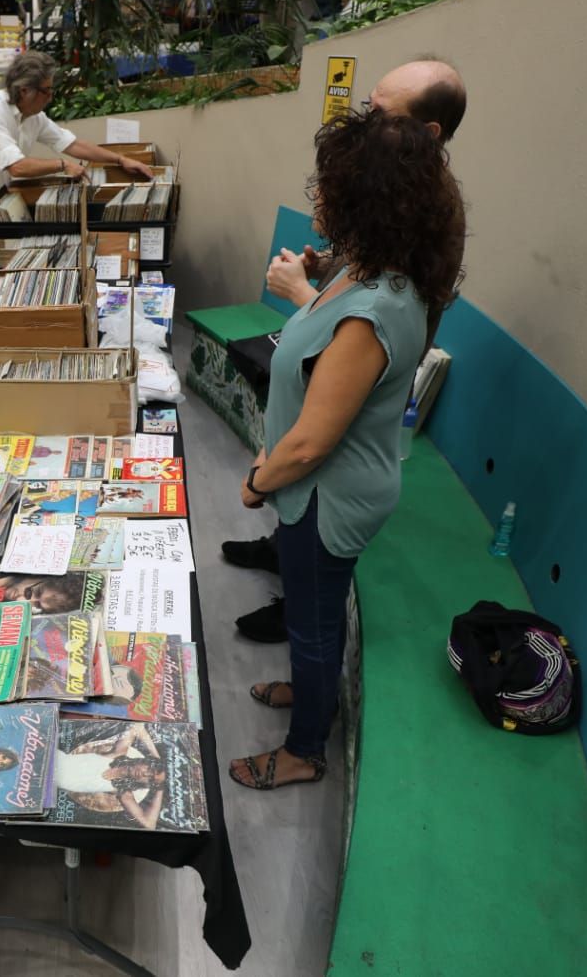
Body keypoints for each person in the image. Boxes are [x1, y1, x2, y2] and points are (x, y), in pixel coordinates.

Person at [228, 109, 465, 792]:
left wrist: (258, 482)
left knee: (311, 621)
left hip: (328, 495)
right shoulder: (366, 271)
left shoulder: (376, 310)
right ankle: (313, 696)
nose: (317, 201)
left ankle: (304, 751)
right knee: (314, 614)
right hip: (321, 488)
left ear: (368, 201)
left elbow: (311, 443)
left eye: (329, 189)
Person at [224, 57, 469, 624]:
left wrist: (305, 294)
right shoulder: (403, 184)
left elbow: (370, 330)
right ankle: (287, 551)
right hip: (342, 349)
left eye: (380, 113)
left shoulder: (432, 210)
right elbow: (370, 268)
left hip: (353, 384)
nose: (365, 121)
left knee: (311, 504)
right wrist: (333, 265)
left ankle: (297, 598)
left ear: (424, 134)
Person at [0, 51, 155, 303]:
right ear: (25, 90)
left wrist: (120, 160)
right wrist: (61, 166)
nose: (50, 96)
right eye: (46, 90)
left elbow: (72, 144)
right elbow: (17, 167)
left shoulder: (34, 117)